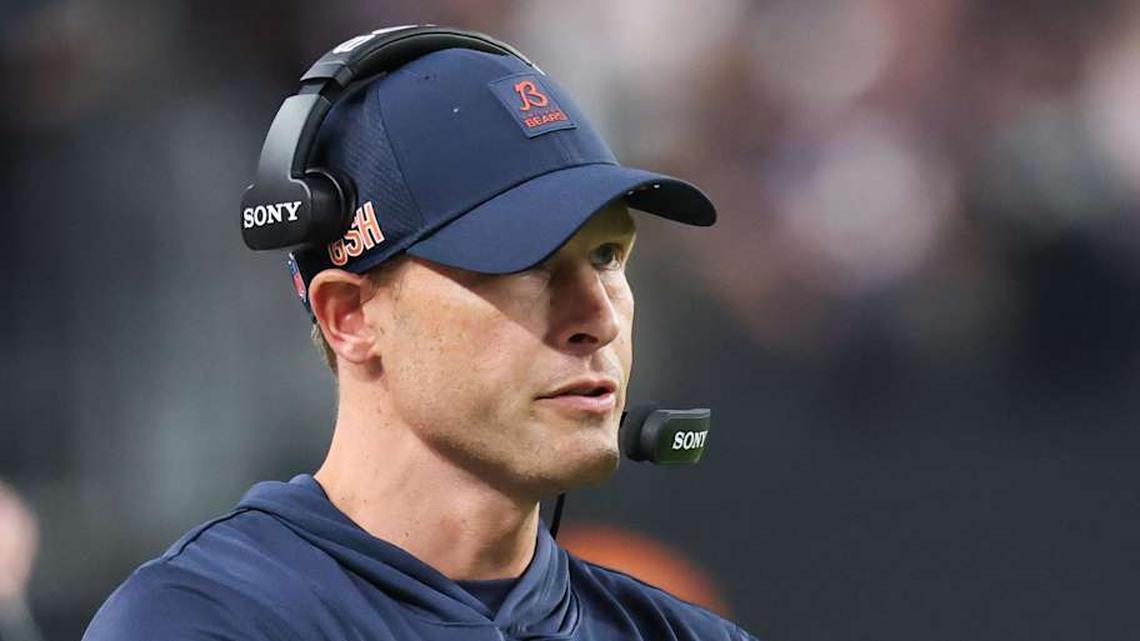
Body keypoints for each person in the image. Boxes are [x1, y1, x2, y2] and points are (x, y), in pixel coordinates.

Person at [83, 27, 758, 641]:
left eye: (608, 256)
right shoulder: (201, 623)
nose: (599, 318)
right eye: (526, 262)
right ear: (350, 316)